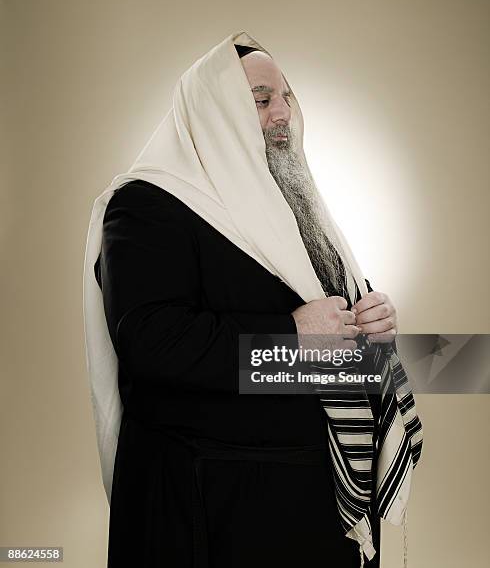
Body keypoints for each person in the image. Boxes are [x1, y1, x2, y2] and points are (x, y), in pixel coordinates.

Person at [83, 31, 423, 568]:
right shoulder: (146, 204)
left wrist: (370, 326)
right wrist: (291, 337)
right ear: (212, 114)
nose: (283, 113)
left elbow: (324, 331)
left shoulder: (291, 203)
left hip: (308, 503)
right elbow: (151, 345)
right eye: (262, 101)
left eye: (287, 97)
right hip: (210, 509)